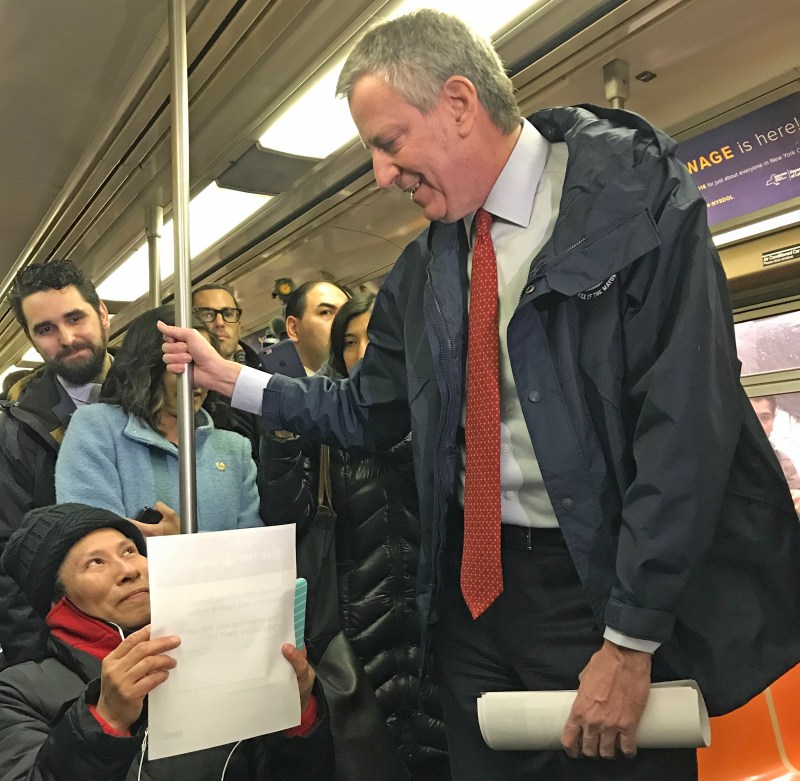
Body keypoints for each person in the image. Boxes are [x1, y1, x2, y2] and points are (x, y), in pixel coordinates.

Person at [159, 10, 800, 780]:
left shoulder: (637, 205)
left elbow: (685, 430)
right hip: (474, 595)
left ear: (459, 104)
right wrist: (233, 379)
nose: (381, 174)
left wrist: (631, 639)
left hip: (597, 584)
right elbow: (369, 409)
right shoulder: (427, 267)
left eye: (387, 143)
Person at [259, 293, 450, 781]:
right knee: (366, 755)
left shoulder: (447, 419)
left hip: (439, 624)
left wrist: (402, 426)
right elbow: (288, 514)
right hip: (353, 625)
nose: (363, 352)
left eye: (378, 341)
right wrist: (282, 436)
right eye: (350, 342)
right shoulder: (324, 433)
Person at [0, 502, 333, 781]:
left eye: (129, 551)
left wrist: (298, 715)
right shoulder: (17, 693)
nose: (128, 570)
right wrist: (105, 720)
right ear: (60, 603)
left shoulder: (220, 656)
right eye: (95, 562)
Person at [56, 306, 263, 533]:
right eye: (182, 365)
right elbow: (92, 539)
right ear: (149, 365)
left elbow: (250, 551)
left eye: (202, 364)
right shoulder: (96, 429)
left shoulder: (233, 449)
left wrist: (180, 544)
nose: (195, 380)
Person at [0, 259, 113, 664]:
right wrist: (34, 661)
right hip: (70, 645)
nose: (66, 338)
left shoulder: (162, 398)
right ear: (32, 340)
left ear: (102, 314)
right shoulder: (15, 431)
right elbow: (9, 553)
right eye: (46, 329)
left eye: (75, 318)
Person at [192, 283, 263, 462]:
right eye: (207, 314)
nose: (220, 323)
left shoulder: (264, 375)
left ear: (239, 324)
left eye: (229, 313)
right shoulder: (184, 384)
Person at [283, 280, 350, 374]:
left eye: (346, 312)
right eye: (325, 312)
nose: (342, 321)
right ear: (293, 329)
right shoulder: (277, 386)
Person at [750, 396, 800, 511]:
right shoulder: (724, 458)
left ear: (773, 421)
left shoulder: (783, 463)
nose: (757, 425)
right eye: (751, 417)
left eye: (765, 418)